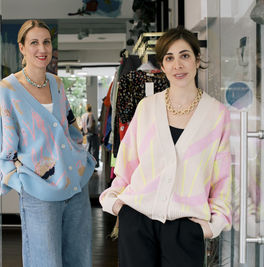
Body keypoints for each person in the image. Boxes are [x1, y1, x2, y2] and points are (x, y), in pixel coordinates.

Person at [99, 26, 232, 267]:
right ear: (162, 65)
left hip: (186, 226)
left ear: (197, 60)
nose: (177, 65)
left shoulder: (216, 115)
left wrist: (213, 226)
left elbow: (222, 179)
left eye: (184, 56)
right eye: (169, 58)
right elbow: (126, 165)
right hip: (137, 220)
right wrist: (118, 205)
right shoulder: (147, 107)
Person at [0, 19, 96, 267]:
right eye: (34, 42)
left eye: (46, 42)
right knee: (45, 262)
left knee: (80, 259)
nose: (42, 49)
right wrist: (16, 179)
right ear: (22, 48)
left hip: (75, 185)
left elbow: (71, 128)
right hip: (39, 190)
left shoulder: (57, 83)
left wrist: (82, 159)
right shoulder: (8, 88)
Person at [81, 103, 100, 169]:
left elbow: (83, 126)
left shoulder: (83, 115)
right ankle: (93, 165)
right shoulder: (91, 115)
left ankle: (88, 165)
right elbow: (91, 125)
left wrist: (84, 132)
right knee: (94, 150)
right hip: (92, 134)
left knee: (87, 150)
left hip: (86, 135)